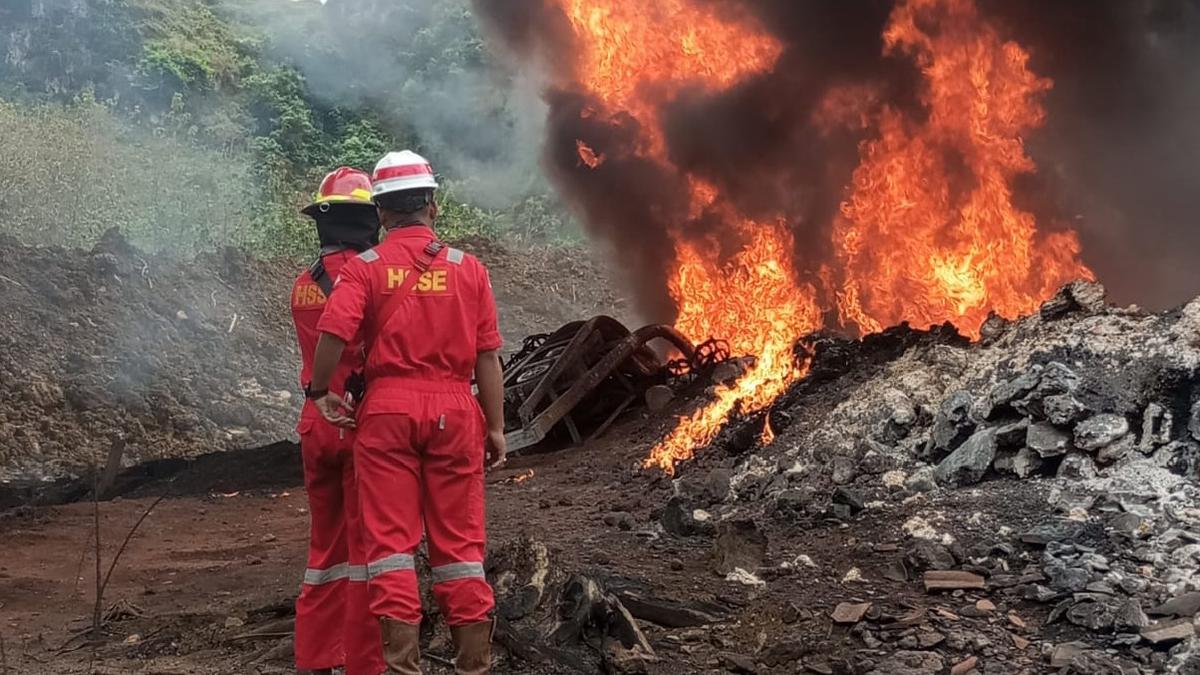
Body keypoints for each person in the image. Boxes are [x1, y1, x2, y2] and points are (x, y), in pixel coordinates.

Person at [304, 150, 507, 675]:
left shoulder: (366, 268)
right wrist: (497, 426)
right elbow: (487, 357)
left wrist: (321, 391)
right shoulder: (470, 269)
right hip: (456, 410)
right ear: (433, 206)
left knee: (391, 549)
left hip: (386, 414)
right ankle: (473, 666)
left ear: (381, 213)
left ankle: (402, 667)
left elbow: (332, 332)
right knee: (460, 549)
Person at [290, 167, 386, 675]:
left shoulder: (304, 284)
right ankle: (363, 665)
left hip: (314, 425)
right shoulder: (371, 277)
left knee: (324, 552)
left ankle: (314, 661)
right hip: (358, 425)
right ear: (370, 219)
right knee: (368, 556)